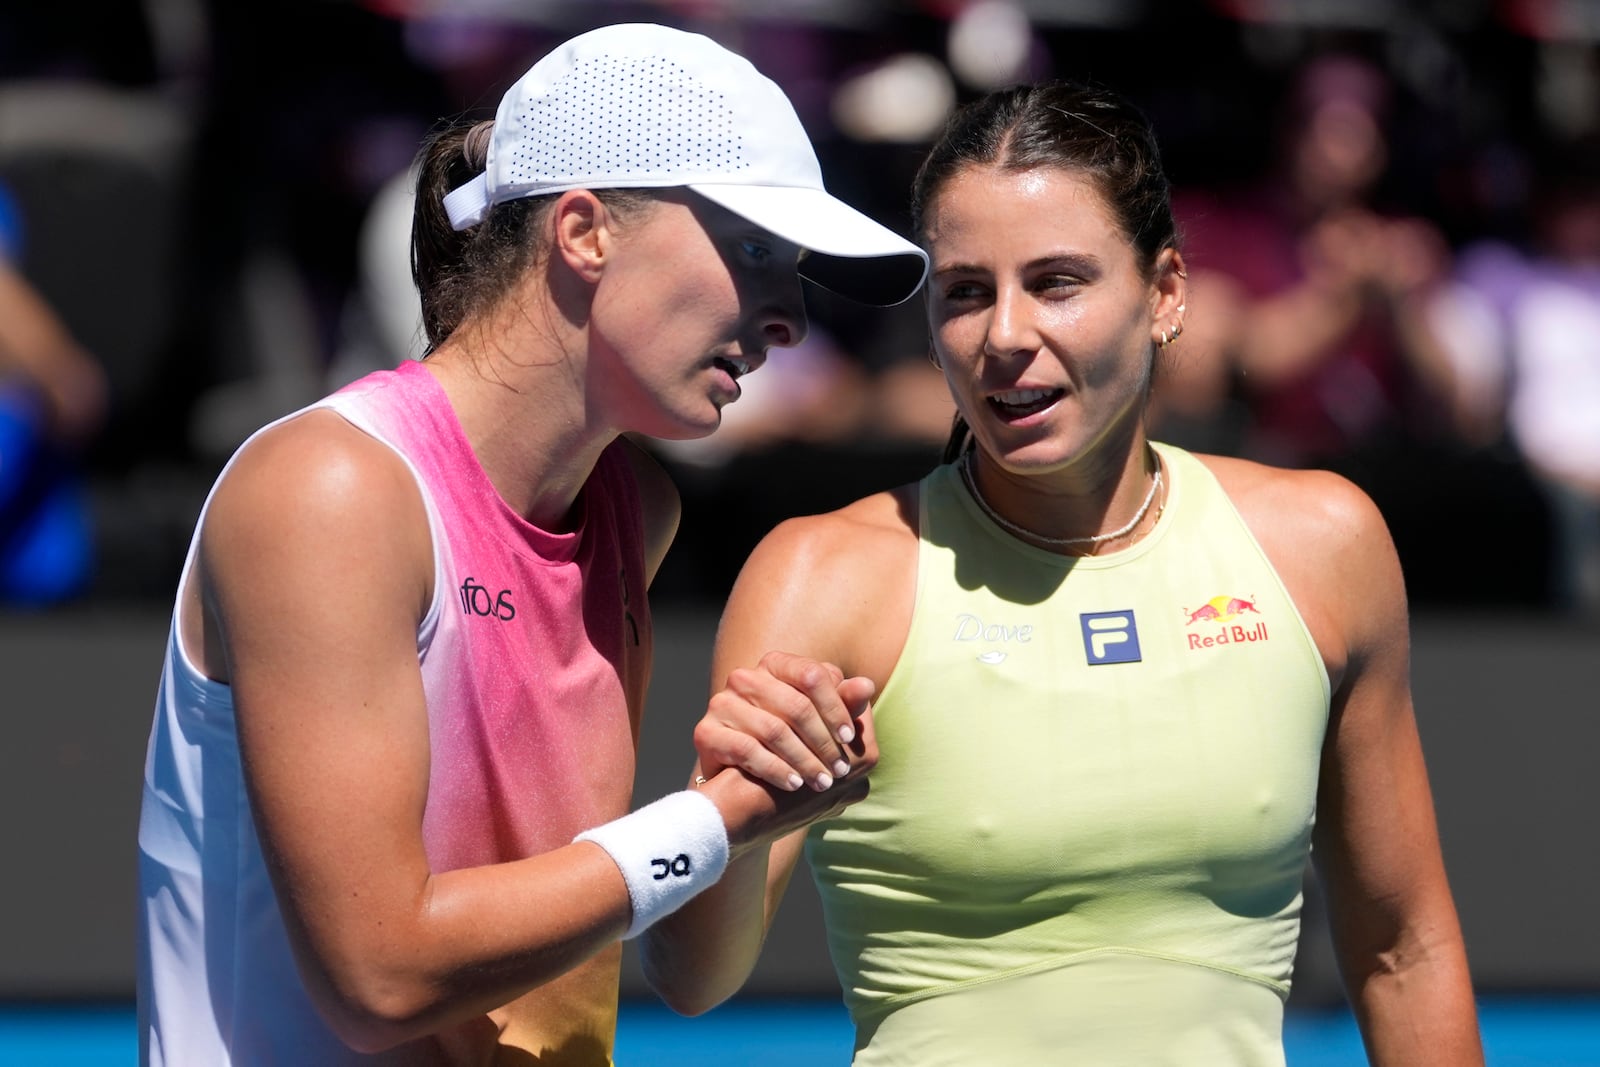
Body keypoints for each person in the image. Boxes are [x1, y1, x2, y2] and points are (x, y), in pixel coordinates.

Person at [645, 81, 1484, 1065]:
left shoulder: (1323, 544)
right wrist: (731, 814)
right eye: (964, 290)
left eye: (1055, 282)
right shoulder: (821, 575)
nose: (1003, 333)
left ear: (1166, 292)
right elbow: (691, 979)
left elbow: (1403, 949)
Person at [135, 23, 922, 1065]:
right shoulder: (330, 492)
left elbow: (681, 970)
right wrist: (710, 822)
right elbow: (380, 974)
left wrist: (757, 793)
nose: (787, 317)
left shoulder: (636, 507)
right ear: (585, 230)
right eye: (752, 249)